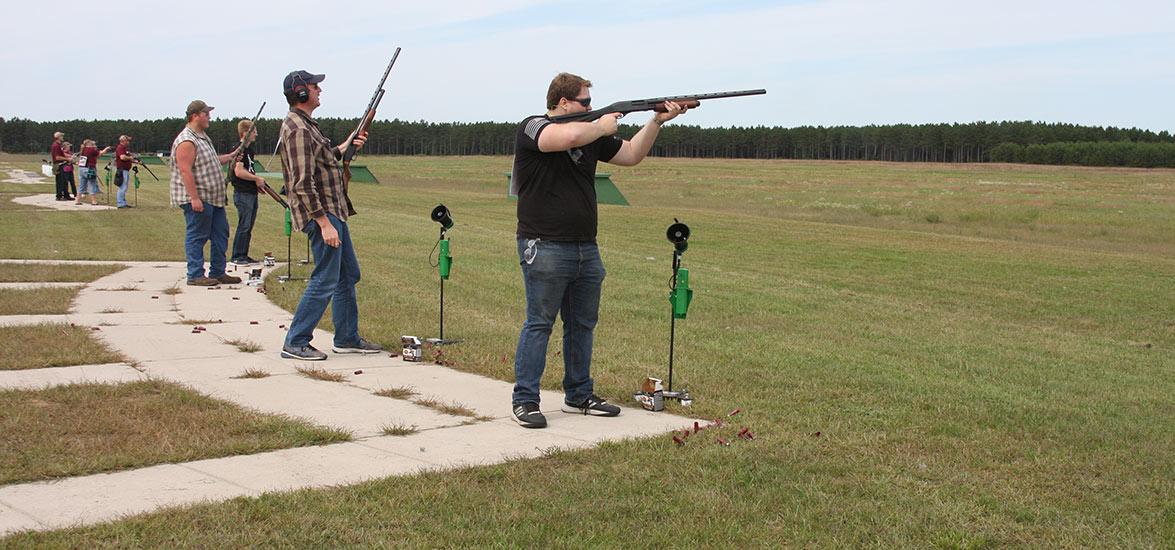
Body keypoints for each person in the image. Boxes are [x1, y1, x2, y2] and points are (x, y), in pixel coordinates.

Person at [508, 72, 689, 428]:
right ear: (563, 103)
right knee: (539, 324)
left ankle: (578, 395)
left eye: (592, 103)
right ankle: (525, 400)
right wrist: (603, 123)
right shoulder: (533, 126)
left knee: (582, 325)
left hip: (585, 247)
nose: (590, 108)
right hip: (543, 244)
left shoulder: (592, 132)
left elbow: (632, 155)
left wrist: (656, 121)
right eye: (585, 103)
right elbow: (566, 136)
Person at [278, 69, 383, 361]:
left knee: (348, 274)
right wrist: (323, 223)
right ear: (300, 92)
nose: (319, 90)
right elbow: (301, 181)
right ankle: (296, 341)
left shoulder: (307, 126)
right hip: (322, 214)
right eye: (314, 86)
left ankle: (347, 338)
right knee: (325, 278)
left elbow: (326, 160)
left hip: (333, 211)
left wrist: (347, 144)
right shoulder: (298, 129)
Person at [169, 100, 243, 287]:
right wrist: (194, 198)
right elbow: (185, 170)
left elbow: (210, 161)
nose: (209, 116)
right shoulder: (187, 140)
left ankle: (218, 272)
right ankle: (195, 274)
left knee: (221, 233)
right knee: (197, 235)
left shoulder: (201, 136)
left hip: (214, 198)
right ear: (195, 116)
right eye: (206, 113)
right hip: (199, 198)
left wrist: (231, 156)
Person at [229, 119, 268, 265]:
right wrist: (256, 178)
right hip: (243, 193)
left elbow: (248, 170)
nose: (256, 134)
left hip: (251, 192)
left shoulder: (250, 150)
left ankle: (243, 254)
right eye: (254, 131)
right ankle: (237, 256)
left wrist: (256, 183)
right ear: (245, 133)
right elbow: (239, 171)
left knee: (248, 226)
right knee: (244, 225)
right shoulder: (239, 149)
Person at [76, 140, 112, 205]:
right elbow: (99, 154)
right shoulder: (91, 150)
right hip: (89, 169)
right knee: (92, 184)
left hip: (81, 168)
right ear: (89, 144)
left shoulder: (83, 149)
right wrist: (106, 149)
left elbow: (95, 155)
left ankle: (78, 200)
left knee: (81, 185)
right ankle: (94, 201)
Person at [49, 132, 73, 201]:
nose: (62, 137)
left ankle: (66, 195)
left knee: (64, 181)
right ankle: (59, 196)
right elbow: (57, 157)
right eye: (61, 136)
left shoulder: (57, 145)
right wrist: (68, 159)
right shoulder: (56, 145)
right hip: (59, 165)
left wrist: (70, 156)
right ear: (58, 137)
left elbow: (62, 154)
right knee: (60, 181)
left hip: (61, 165)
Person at [114, 135, 136, 208]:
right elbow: (122, 157)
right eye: (127, 140)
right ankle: (120, 204)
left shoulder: (124, 148)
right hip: (122, 170)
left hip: (124, 170)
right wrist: (130, 157)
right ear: (123, 141)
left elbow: (127, 158)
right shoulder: (121, 147)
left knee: (124, 187)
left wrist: (135, 160)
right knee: (122, 187)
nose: (128, 142)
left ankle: (123, 202)